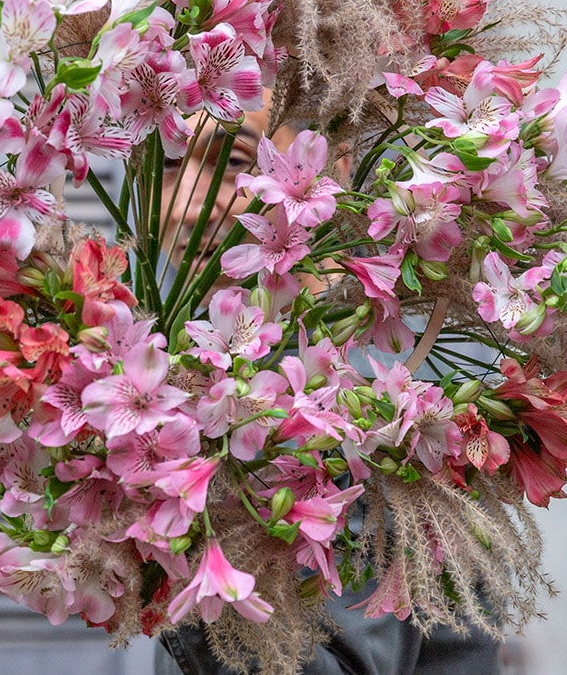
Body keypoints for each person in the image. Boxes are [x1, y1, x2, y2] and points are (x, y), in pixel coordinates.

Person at [153, 104, 502, 675]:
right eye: (168, 166)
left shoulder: (364, 415)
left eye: (234, 161)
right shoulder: (203, 366)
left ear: (330, 169)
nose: (190, 199)